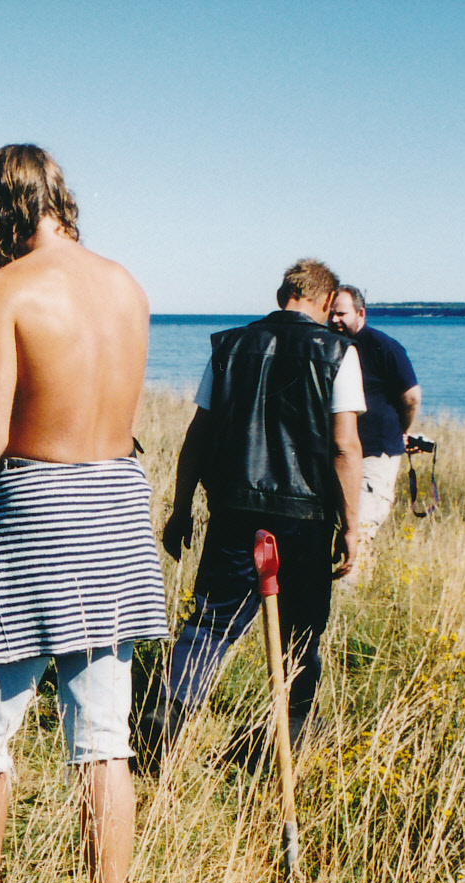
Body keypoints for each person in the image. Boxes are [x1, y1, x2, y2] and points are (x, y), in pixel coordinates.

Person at [0, 144, 168, 883]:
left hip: (36, 520)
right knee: (103, 736)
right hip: (118, 508)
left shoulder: (3, 289)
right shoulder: (127, 284)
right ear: (62, 196)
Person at [145, 259, 365, 764]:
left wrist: (182, 509)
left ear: (283, 292)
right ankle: (285, 741)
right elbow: (345, 448)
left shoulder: (230, 346)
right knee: (300, 633)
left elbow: (197, 436)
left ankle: (166, 719)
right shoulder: (337, 352)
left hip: (232, 508)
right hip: (303, 517)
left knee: (211, 623)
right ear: (328, 302)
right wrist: (353, 527)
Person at [329, 284, 423, 578]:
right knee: (338, 535)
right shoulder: (332, 347)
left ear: (360, 313)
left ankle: (349, 609)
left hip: (375, 457)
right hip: (342, 458)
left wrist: (400, 432)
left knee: (360, 534)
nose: (335, 321)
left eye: (341, 314)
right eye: (330, 314)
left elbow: (411, 397)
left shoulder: (385, 346)